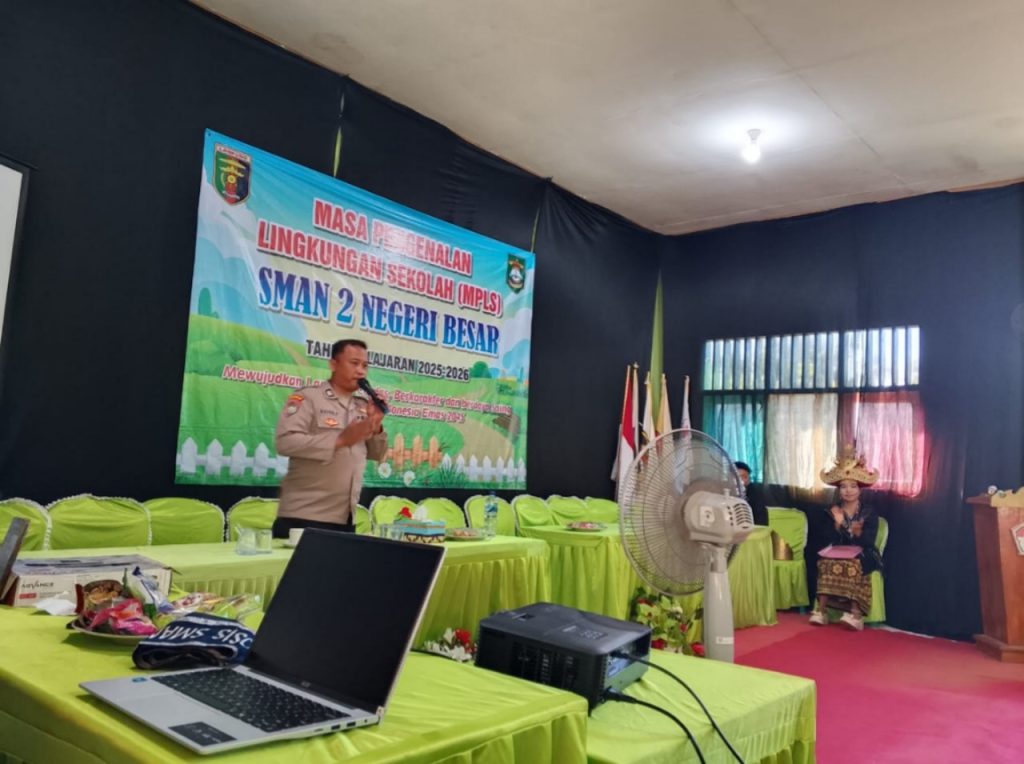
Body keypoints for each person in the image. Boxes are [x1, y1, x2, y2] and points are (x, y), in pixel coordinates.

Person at [271, 339, 388, 538]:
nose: (361, 371)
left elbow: (378, 455)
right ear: (333, 364)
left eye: (365, 366)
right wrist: (339, 440)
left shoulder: (362, 406)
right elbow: (285, 442)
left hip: (345, 518)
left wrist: (375, 424)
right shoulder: (309, 398)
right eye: (354, 363)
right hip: (304, 516)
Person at [808, 445, 883, 631]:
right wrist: (835, 524)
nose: (848, 491)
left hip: (865, 554)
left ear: (860, 489)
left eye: (853, 486)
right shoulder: (832, 511)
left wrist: (845, 525)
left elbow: (867, 542)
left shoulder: (869, 512)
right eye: (843, 487)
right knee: (825, 562)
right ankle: (822, 611)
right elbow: (828, 540)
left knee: (854, 564)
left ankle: (855, 615)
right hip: (837, 552)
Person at [735, 461, 769, 526]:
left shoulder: (756, 494)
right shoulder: (724, 492)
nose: (742, 480)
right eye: (738, 477)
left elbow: (761, 520)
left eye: (745, 477)